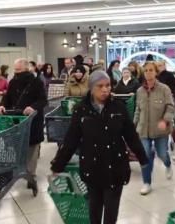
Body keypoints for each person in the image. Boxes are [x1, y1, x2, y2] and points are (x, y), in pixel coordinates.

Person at [51, 70, 148, 224]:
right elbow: (71, 140)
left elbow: (131, 135)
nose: (105, 89)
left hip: (115, 166)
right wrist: (59, 164)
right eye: (100, 86)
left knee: (111, 211)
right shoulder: (81, 109)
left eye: (108, 85)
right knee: (94, 210)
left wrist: (142, 157)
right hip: (92, 167)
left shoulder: (118, 107)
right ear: (91, 87)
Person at [0, 58, 47, 191]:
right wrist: (2, 106)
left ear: (26, 69)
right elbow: (7, 98)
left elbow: (43, 100)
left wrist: (33, 107)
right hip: (17, 120)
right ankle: (19, 171)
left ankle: (31, 175)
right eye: (15, 70)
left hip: (33, 121)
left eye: (19, 70)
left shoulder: (36, 82)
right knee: (17, 145)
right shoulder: (13, 82)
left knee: (32, 147)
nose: (16, 72)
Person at [134, 61, 175, 195]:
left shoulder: (164, 89)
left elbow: (170, 107)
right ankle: (147, 183)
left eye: (151, 70)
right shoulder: (140, 91)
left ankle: (168, 164)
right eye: (146, 71)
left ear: (156, 72)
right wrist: (133, 126)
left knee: (162, 153)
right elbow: (138, 110)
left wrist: (165, 120)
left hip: (160, 130)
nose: (148, 73)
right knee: (145, 156)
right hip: (143, 130)